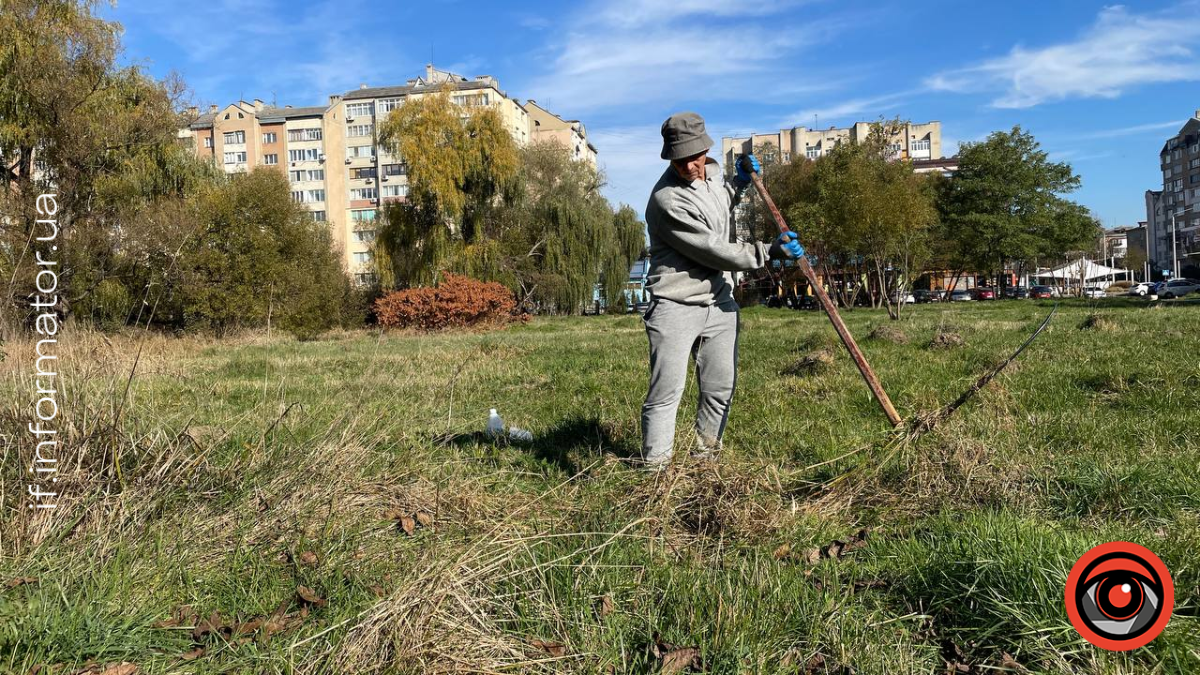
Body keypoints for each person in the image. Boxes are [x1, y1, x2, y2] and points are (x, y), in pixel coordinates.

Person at [640, 111, 803, 470]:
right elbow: (712, 248)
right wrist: (768, 252)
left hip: (720, 301)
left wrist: (739, 184)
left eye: (693, 158)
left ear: (705, 150)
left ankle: (705, 466)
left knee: (718, 389)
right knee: (667, 394)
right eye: (678, 160)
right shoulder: (666, 201)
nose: (688, 167)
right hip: (675, 303)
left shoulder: (711, 174)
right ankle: (655, 477)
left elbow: (718, 205)